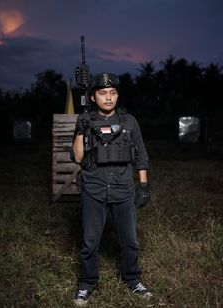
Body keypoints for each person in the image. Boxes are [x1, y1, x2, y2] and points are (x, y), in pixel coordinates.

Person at [71, 72, 152, 306]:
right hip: (94, 189)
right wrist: (80, 128)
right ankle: (86, 283)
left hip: (123, 188)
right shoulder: (86, 121)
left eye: (113, 93)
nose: (108, 98)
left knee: (129, 240)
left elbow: (141, 155)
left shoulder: (130, 122)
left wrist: (143, 185)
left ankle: (133, 279)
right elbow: (77, 157)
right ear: (94, 97)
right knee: (90, 241)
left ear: (118, 95)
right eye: (103, 93)